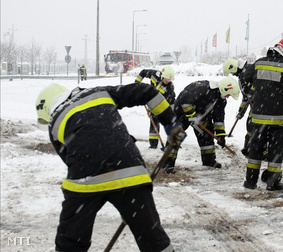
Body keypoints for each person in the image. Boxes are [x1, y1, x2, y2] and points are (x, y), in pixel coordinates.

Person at [35, 82, 183, 251]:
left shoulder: (54, 122)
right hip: (130, 172)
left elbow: (70, 158)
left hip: (84, 182)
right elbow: (147, 91)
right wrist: (171, 123)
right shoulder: (98, 92)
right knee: (152, 238)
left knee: (70, 240)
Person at [242, 37, 283, 191]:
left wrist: (251, 93)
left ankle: (250, 181)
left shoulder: (259, 63)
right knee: (275, 152)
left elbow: (244, 79)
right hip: (279, 120)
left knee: (255, 150)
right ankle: (272, 183)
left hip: (259, 117)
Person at [163, 76, 240, 173]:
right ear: (224, 89)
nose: (228, 96)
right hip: (182, 113)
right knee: (176, 136)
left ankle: (209, 161)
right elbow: (185, 100)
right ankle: (167, 164)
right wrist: (191, 115)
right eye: (229, 94)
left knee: (206, 135)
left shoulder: (221, 100)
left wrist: (221, 134)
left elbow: (219, 118)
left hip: (201, 118)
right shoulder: (202, 88)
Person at [135, 65, 176, 149]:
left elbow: (167, 101)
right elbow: (143, 72)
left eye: (169, 80)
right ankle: (153, 145)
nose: (167, 81)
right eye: (166, 79)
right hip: (151, 98)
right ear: (162, 76)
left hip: (162, 104)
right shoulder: (155, 75)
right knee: (153, 122)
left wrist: (151, 110)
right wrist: (137, 83)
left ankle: (171, 144)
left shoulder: (169, 87)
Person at [223, 58, 253, 156]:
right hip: (255, 103)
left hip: (260, 103)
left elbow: (253, 89)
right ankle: (248, 148)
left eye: (232, 73)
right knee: (251, 125)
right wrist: (241, 111)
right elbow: (245, 96)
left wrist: (253, 93)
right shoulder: (242, 74)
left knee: (254, 125)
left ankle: (252, 149)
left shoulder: (248, 71)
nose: (233, 75)